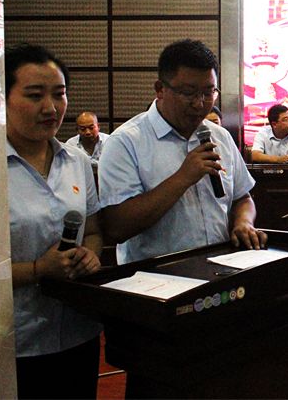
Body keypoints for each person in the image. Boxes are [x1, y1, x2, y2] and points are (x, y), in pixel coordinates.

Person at [99, 39, 264, 265]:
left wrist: (243, 223)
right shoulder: (125, 142)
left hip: (220, 269)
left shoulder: (220, 136)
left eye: (209, 92)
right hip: (155, 277)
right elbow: (117, 227)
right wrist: (183, 177)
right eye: (188, 93)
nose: (199, 104)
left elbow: (242, 197)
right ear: (160, 89)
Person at [6, 44, 103, 399]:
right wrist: (37, 270)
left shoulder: (77, 162)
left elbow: (93, 230)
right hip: (15, 342)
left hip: (78, 331)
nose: (50, 107)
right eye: (35, 95)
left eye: (59, 94)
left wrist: (91, 254)